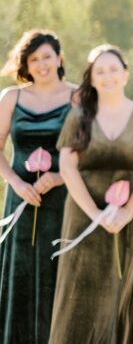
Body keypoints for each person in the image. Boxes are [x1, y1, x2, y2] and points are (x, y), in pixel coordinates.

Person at [50, 44, 133, 344]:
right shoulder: (79, 116)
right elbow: (68, 168)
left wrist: (127, 213)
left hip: (130, 220)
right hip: (83, 218)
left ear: (126, 74)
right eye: (100, 71)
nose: (107, 76)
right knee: (78, 298)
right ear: (92, 78)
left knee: (119, 295)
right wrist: (95, 215)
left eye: (113, 69)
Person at [0, 30, 75, 343]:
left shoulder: (79, 96)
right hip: (21, 199)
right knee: (19, 275)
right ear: (25, 65)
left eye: (47, 56)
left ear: (59, 58)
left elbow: (90, 152)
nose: (42, 64)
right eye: (34, 59)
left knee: (55, 277)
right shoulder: (11, 97)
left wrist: (59, 177)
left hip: (63, 199)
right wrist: (16, 183)